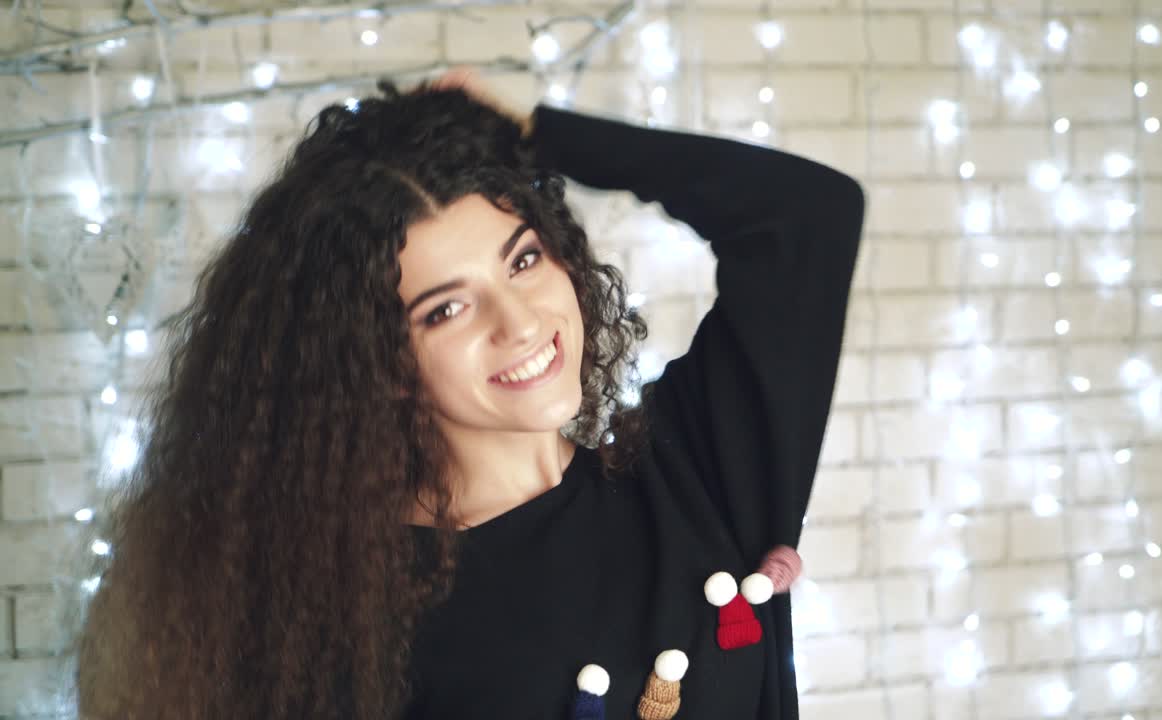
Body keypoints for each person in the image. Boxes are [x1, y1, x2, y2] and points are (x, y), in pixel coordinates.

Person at [74, 67, 864, 720]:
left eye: (522, 261)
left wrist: (530, 135)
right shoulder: (339, 614)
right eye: (446, 308)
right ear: (371, 361)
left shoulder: (699, 470)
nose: (519, 323)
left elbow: (807, 218)